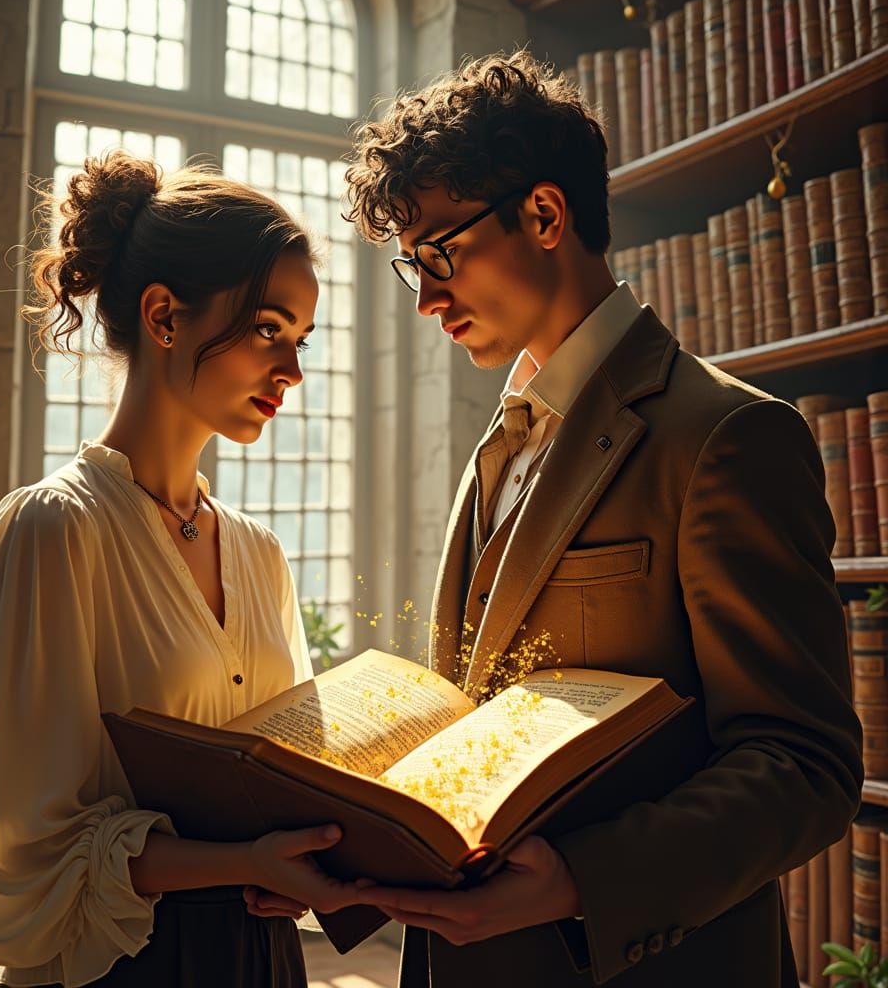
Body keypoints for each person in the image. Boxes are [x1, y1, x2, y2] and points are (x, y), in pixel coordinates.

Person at [336, 48, 863, 985]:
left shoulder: (728, 435)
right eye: (411, 267)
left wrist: (580, 881)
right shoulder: (502, 436)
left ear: (545, 215)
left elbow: (805, 764)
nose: (427, 299)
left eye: (441, 253)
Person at [0, 149, 361, 988]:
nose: (293, 372)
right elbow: (22, 847)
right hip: (124, 962)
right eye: (269, 330)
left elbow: (285, 781)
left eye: (301, 340)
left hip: (263, 955)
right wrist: (245, 861)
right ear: (164, 316)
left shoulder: (259, 554)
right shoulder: (54, 529)